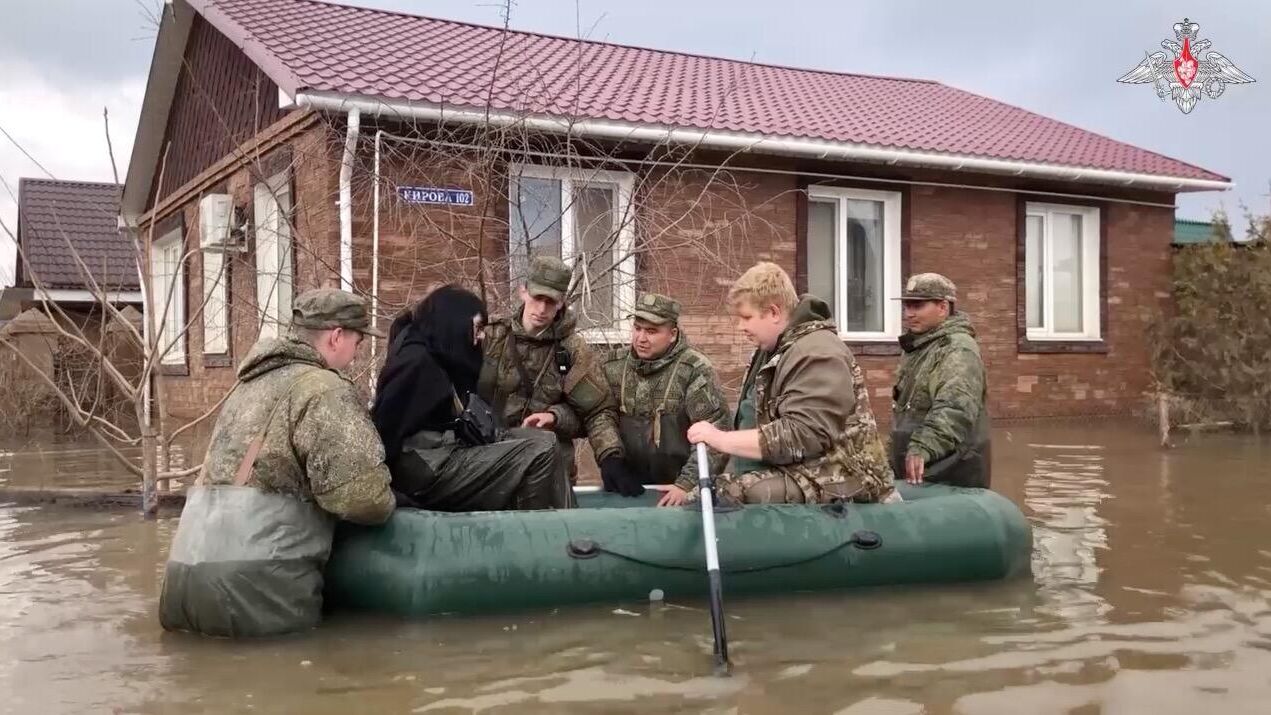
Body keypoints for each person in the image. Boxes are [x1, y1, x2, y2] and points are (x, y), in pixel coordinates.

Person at [159, 288, 395, 638]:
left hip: (184, 581)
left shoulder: (246, 384)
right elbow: (363, 498)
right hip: (255, 591)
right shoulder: (324, 389)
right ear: (336, 337)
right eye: (358, 342)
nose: (356, 354)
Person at [686, 262, 898, 504]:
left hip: (843, 476)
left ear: (774, 312)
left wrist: (721, 439)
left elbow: (805, 434)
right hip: (797, 469)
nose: (740, 327)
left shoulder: (818, 352)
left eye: (746, 317)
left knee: (723, 495)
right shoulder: (772, 350)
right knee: (709, 490)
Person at [371, 284, 574, 511]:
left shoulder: (440, 355)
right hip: (425, 471)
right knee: (540, 453)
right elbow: (383, 432)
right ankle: (538, 533)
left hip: (439, 456)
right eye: (477, 327)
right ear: (456, 325)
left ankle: (567, 527)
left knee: (546, 440)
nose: (481, 335)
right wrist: (386, 493)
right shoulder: (416, 364)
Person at [477, 256, 638, 495]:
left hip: (549, 471)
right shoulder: (491, 338)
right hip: (489, 465)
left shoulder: (572, 350)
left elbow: (597, 411)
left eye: (551, 302)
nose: (542, 309)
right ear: (523, 292)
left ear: (562, 303)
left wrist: (610, 457)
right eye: (537, 298)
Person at [600, 292, 731, 506]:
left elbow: (716, 435)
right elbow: (598, 416)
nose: (641, 338)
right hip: (626, 490)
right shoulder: (612, 366)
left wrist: (686, 484)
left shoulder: (695, 371)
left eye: (651, 331)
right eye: (638, 328)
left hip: (677, 493)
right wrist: (610, 457)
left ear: (672, 334)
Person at [891, 273, 991, 488]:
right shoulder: (918, 348)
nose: (909, 314)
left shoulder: (957, 349)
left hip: (949, 474)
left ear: (943, 308)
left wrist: (923, 447)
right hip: (917, 472)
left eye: (917, 306)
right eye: (907, 306)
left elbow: (955, 408)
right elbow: (907, 412)